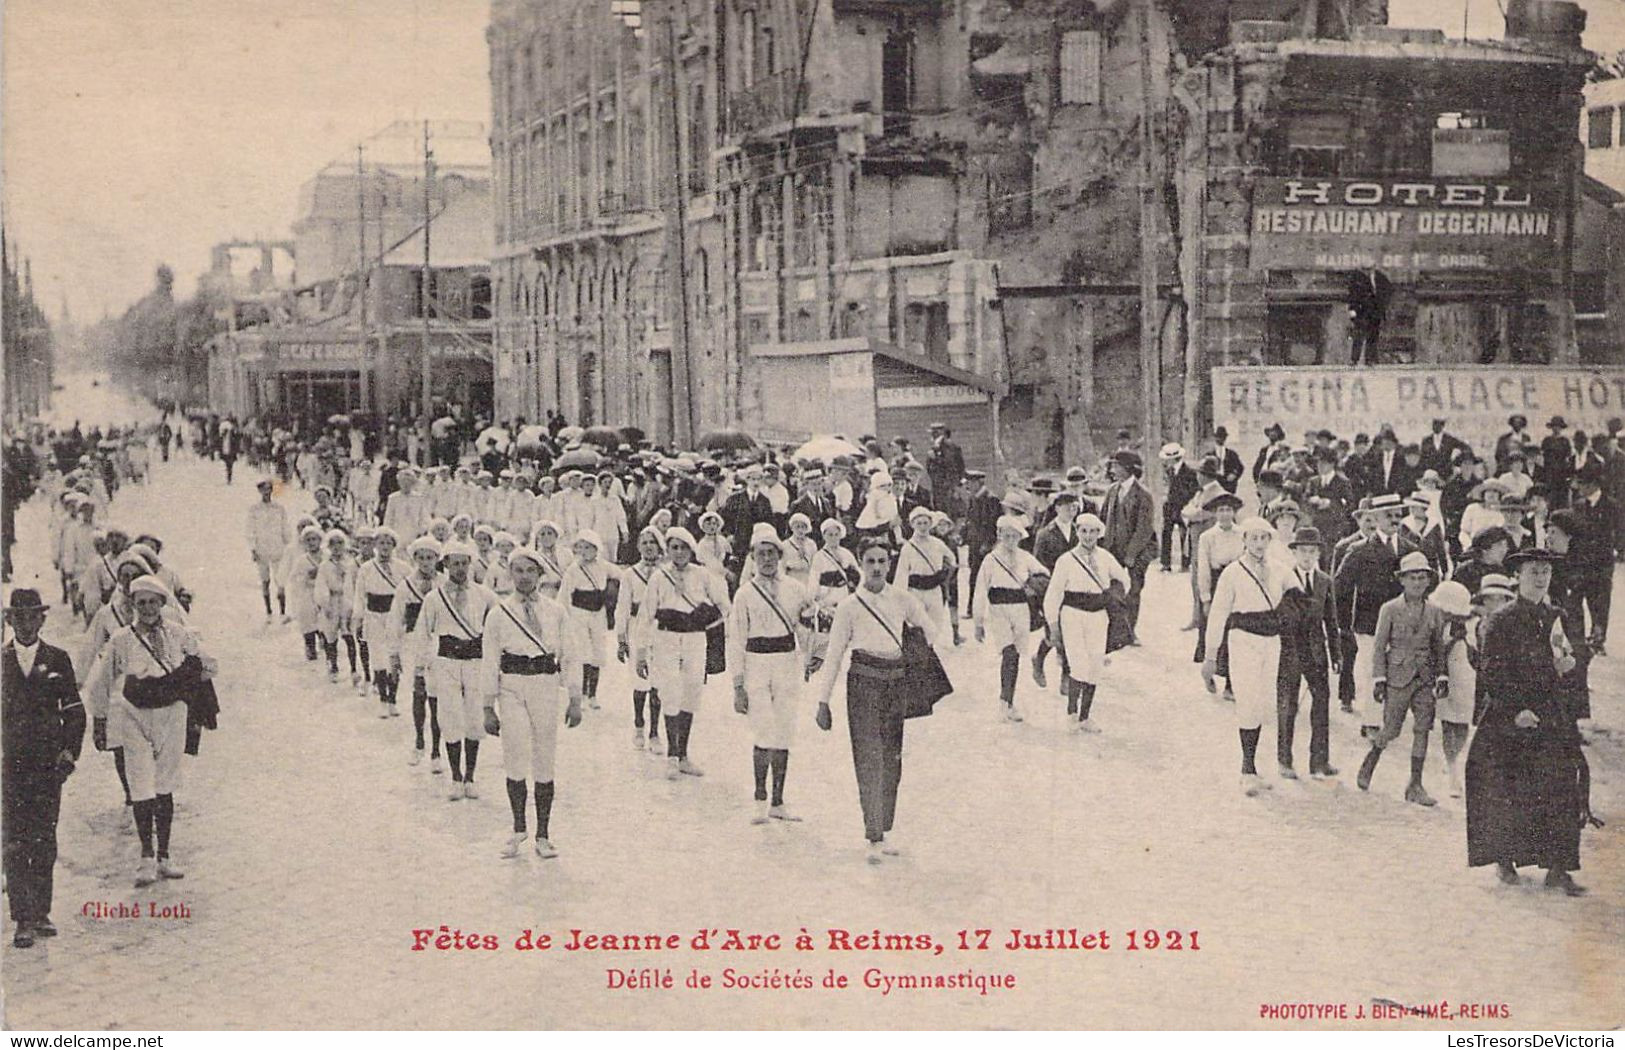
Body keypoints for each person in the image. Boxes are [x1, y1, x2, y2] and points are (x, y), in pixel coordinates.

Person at [1466, 547, 1589, 895]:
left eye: (1546, 571)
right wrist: (1514, 711)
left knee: (1562, 784)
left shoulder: (1556, 615)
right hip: (1512, 715)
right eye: (1534, 571)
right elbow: (1491, 672)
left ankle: (1559, 867)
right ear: (1518, 576)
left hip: (1551, 713)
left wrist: (1569, 669)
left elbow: (1569, 655)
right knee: (1508, 787)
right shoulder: (1501, 619)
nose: (1541, 577)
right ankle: (1505, 860)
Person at [814, 538, 943, 863]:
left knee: (892, 760)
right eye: (869, 561)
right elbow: (833, 655)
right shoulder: (849, 607)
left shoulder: (902, 598)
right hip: (863, 685)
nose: (875, 567)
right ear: (860, 563)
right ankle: (873, 834)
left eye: (881, 561)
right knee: (869, 758)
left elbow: (930, 630)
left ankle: (884, 827)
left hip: (895, 684)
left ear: (889, 564)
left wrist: (913, 643)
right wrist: (822, 700)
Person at [83, 575, 216, 887]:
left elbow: (210, 665)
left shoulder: (179, 634)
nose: (147, 608)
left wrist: (188, 676)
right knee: (140, 783)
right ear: (133, 605)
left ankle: (165, 857)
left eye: (152, 602)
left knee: (165, 784)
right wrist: (100, 720)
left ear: (162, 604)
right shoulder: (120, 640)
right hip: (135, 716)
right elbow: (100, 683)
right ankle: (145, 856)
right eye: (140, 603)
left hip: (171, 715)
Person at [481, 546, 582, 860]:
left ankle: (543, 834)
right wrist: (487, 705)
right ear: (510, 574)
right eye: (518, 571)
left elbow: (570, 654)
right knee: (515, 753)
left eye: (530, 571)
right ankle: (517, 828)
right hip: (511, 686)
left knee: (544, 755)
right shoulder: (499, 613)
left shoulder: (556, 611)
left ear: (541, 575)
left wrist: (575, 698)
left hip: (545, 685)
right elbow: (489, 660)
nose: (524, 577)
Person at [2, 589, 84, 948]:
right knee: (16, 839)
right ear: (9, 621)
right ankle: (22, 916)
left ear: (42, 619)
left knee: (45, 837)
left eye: (32, 615)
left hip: (48, 767)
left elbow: (75, 711)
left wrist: (69, 752)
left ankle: (41, 912)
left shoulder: (58, 659)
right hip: (10, 767)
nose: (26, 622)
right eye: (18, 616)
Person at [729, 524, 817, 823]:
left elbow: (806, 627)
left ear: (780, 556)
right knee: (763, 729)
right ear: (752, 558)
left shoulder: (795, 589)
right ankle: (759, 799)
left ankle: (779, 802)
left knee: (784, 730)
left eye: (772, 554)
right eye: (761, 554)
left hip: (786, 662)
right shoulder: (744, 594)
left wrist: (811, 656)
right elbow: (736, 640)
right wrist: (737, 685)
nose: (767, 559)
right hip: (756, 663)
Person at [1354, 552, 1450, 806]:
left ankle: (1415, 784)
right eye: (1412, 578)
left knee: (1423, 730)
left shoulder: (1435, 612)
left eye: (1422, 578)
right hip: (1397, 677)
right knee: (1391, 729)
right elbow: (1378, 646)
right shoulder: (1390, 609)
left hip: (1425, 678)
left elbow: (1439, 647)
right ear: (1402, 581)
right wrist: (1379, 679)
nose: (1418, 583)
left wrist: (1442, 675)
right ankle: (1372, 758)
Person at [638, 527, 730, 780]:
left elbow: (725, 605)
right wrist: (640, 651)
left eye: (683, 548)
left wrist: (707, 615)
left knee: (691, 692)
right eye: (674, 548)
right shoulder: (659, 577)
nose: (679, 553)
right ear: (667, 551)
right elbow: (645, 615)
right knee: (670, 693)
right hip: (666, 638)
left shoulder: (703, 575)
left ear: (691, 550)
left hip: (694, 638)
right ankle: (671, 755)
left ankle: (684, 755)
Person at [413, 540, 497, 799]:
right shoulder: (433, 598)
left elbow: (497, 627)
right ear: (445, 564)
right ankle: (455, 778)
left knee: (473, 717)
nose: (460, 568)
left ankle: (470, 776)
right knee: (449, 717)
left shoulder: (484, 595)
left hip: (475, 661)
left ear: (470, 564)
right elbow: (423, 634)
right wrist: (420, 670)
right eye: (454, 563)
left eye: (464, 563)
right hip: (446, 661)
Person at [1334, 493, 1418, 737]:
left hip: (1402, 623)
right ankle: (1370, 722)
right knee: (1372, 671)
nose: (1394, 519)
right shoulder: (1359, 550)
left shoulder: (1410, 550)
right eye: (1388, 515)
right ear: (1375, 518)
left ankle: (1388, 719)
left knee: (1397, 670)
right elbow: (1341, 587)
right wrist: (1345, 625)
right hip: (1369, 623)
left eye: (1397, 514)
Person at [1043, 513, 1130, 734]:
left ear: (1099, 533)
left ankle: (1085, 717)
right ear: (1077, 532)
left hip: (1098, 615)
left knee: (1094, 664)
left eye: (1093, 531)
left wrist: (1114, 593)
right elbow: (1053, 595)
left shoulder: (1106, 558)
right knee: (1079, 664)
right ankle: (1072, 713)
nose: (1088, 536)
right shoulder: (1066, 560)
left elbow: (1123, 580)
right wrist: (1053, 625)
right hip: (1073, 614)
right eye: (1083, 531)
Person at [1275, 527, 1340, 780]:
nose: (1307, 556)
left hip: (1316, 652)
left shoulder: (1325, 581)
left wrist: (1335, 654)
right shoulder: (1283, 577)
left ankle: (1319, 761)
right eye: (1302, 551)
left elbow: (1331, 620)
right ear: (1294, 552)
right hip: (1289, 651)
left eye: (1312, 551)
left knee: (1321, 704)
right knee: (1287, 705)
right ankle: (1284, 760)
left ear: (1318, 553)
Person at [975, 516, 1046, 723]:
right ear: (999, 536)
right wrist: (978, 622)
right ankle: (1004, 703)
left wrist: (1032, 583)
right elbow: (980, 591)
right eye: (1006, 536)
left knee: (1015, 655)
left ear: (1020, 538)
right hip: (999, 610)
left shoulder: (1025, 557)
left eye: (1014, 536)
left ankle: (1009, 701)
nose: (1010, 540)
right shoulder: (990, 559)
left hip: (1021, 609)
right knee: (1009, 653)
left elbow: (1043, 573)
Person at [391, 536, 444, 772]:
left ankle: (436, 751)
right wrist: (394, 652)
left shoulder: (444, 583)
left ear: (437, 559)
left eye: (430, 558)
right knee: (419, 692)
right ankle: (419, 742)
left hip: (441, 643)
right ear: (414, 559)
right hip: (414, 643)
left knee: (438, 697)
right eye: (420, 558)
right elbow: (395, 619)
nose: (425, 562)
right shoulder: (405, 586)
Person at [617, 527, 667, 753]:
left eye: (653, 542)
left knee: (658, 682)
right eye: (644, 542)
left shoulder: (666, 572)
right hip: (637, 626)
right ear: (638, 546)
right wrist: (621, 637)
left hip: (660, 628)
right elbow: (623, 606)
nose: (648, 547)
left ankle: (655, 731)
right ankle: (639, 723)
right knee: (640, 680)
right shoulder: (629, 574)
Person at [1101, 450, 1155, 643]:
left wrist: (1132, 554)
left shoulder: (1143, 495)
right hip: (1113, 549)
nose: (1113, 469)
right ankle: (1115, 630)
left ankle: (1130, 632)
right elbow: (1103, 519)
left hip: (1137, 552)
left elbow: (1144, 529)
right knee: (1112, 589)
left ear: (1127, 468)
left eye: (1117, 465)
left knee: (1133, 590)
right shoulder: (1112, 491)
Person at [1431, 580, 1477, 799]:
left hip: (1464, 681)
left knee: (1460, 724)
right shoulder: (1440, 627)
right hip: (1449, 681)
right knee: (1450, 724)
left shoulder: (1466, 629)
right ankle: (1452, 768)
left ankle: (1453, 763)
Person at [559, 529, 612, 711]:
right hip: (579, 613)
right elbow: (565, 594)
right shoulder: (574, 569)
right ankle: (581, 694)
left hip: (598, 613)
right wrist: (564, 617)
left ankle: (593, 695)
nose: (585, 551)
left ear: (597, 548)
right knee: (583, 653)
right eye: (581, 547)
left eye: (589, 547)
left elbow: (623, 576)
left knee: (598, 652)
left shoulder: (604, 566)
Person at [246, 479, 290, 622]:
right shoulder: (254, 509)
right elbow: (250, 530)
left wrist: (288, 545)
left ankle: (282, 612)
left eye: (269, 489)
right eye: (264, 489)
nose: (267, 492)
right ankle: (269, 611)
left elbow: (285, 528)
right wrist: (253, 548)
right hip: (262, 549)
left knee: (280, 580)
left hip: (278, 548)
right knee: (265, 580)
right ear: (259, 491)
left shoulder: (279, 508)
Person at [1159, 444, 1199, 573]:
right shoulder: (1169, 471)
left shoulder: (1189, 472)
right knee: (1166, 533)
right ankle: (1166, 563)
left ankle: (1185, 563)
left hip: (1183, 507)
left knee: (1184, 535)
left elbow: (1193, 490)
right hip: (1170, 507)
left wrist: (1185, 504)